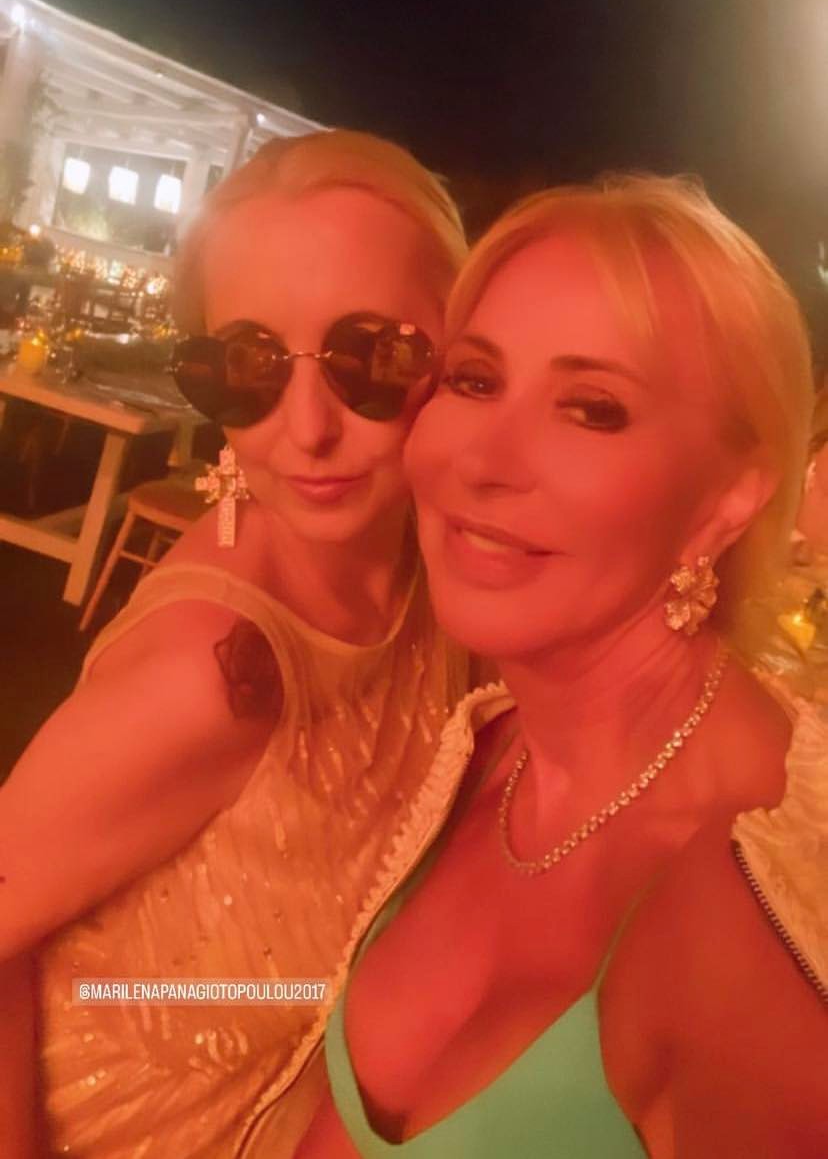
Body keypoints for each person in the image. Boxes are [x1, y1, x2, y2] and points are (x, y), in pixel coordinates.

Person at [297, 175, 827, 1158]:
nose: (482, 461)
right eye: (474, 380)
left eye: (592, 409)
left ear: (729, 499)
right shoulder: (485, 747)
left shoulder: (763, 921)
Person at [0, 130, 476, 1158]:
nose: (306, 429)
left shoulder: (436, 586)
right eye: (248, 365)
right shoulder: (209, 677)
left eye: (374, 359)